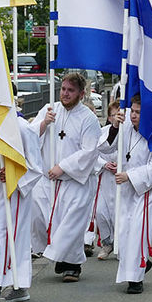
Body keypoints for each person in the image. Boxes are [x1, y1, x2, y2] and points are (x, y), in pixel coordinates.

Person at [31, 72, 102, 282]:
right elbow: (30, 134)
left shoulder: (88, 119)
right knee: (39, 216)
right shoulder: (50, 109)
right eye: (63, 89)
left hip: (74, 181)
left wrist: (62, 167)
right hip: (48, 180)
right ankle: (60, 257)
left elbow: (89, 151)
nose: (65, 94)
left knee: (70, 224)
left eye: (71, 91)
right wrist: (44, 123)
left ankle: (73, 265)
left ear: (81, 94)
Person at [99, 95, 152, 294]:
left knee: (138, 232)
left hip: (143, 189)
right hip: (123, 190)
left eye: (138, 112)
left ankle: (135, 279)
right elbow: (104, 148)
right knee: (122, 233)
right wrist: (114, 126)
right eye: (133, 111)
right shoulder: (125, 127)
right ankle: (139, 264)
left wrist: (129, 176)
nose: (134, 115)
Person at [0, 117, 44, 302]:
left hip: (16, 194)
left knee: (3, 237)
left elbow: (35, 166)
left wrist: (15, 175)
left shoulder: (24, 128)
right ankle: (19, 285)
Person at [93, 100, 120, 260]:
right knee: (101, 212)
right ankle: (106, 242)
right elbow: (95, 152)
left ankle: (119, 245)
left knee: (118, 213)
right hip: (104, 178)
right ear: (109, 118)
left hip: (119, 179)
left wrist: (121, 166)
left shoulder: (129, 133)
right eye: (113, 115)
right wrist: (104, 164)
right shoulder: (103, 132)